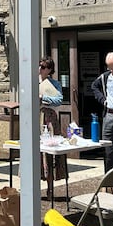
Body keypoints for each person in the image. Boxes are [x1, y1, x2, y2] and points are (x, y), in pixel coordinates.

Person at [38, 56, 66, 200]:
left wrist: (43, 98)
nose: (40, 69)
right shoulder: (32, 81)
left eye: (43, 67)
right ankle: (33, 189)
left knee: (49, 153)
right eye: (39, 66)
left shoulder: (54, 84)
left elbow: (59, 100)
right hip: (35, 117)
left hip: (48, 117)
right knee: (35, 152)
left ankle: (50, 189)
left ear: (49, 70)